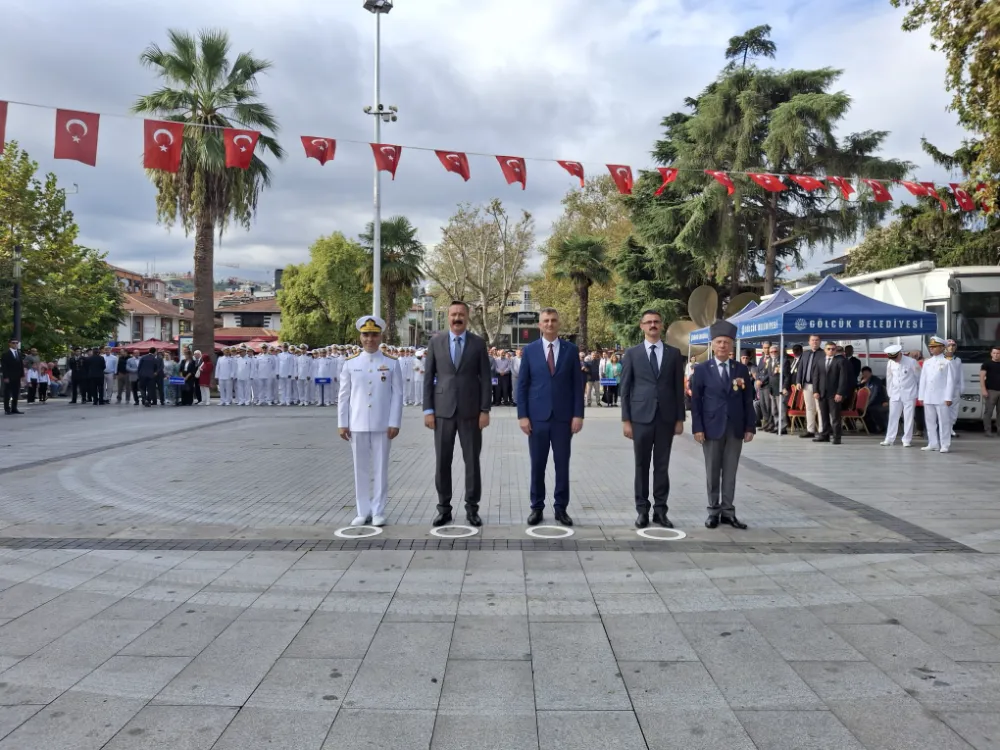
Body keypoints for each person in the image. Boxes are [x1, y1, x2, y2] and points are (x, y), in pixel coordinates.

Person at [422, 300, 492, 528]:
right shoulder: (436, 342)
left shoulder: (478, 343)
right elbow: (428, 379)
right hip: (442, 412)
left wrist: (485, 410)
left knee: (472, 462)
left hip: (471, 413)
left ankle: (472, 508)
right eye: (453, 314)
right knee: (443, 461)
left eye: (461, 314)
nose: (457, 318)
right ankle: (444, 509)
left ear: (467, 316)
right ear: (448, 317)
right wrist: (428, 410)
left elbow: (485, 381)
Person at [516, 307, 585, 527]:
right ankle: (536, 507)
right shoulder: (530, 351)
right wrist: (522, 416)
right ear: (539, 325)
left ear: (559, 323)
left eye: (553, 320)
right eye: (545, 320)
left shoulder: (570, 350)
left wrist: (578, 415)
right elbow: (523, 385)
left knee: (562, 464)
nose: (549, 324)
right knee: (537, 464)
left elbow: (577, 385)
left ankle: (561, 508)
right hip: (537, 420)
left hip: (564, 419)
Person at [619, 309, 686, 529]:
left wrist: (679, 418)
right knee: (641, 465)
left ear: (662, 325)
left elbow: (678, 388)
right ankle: (642, 511)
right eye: (648, 322)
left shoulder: (674, 354)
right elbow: (626, 389)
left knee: (662, 466)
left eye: (656, 321)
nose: (653, 325)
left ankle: (660, 511)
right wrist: (626, 420)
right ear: (642, 326)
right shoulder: (632, 353)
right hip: (640, 419)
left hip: (666, 418)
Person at [339, 316, 404, 527]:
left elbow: (398, 395)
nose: (370, 339)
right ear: (360, 336)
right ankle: (362, 510)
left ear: (380, 336)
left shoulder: (391, 363)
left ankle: (378, 511)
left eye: (374, 335)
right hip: (356, 424)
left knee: (380, 468)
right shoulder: (350, 363)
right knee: (361, 469)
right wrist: (342, 422)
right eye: (366, 334)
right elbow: (344, 396)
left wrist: (395, 422)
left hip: (382, 424)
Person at [690, 320, 755, 529]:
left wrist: (749, 427)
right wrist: (697, 427)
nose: (722, 346)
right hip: (711, 427)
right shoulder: (701, 370)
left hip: (735, 428)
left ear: (731, 345)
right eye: (719, 342)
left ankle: (728, 512)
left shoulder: (741, 370)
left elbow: (747, 400)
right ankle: (713, 511)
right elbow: (696, 401)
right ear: (712, 344)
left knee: (730, 471)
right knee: (712, 471)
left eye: (726, 342)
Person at [919, 336, 956, 453]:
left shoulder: (947, 362)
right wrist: (921, 396)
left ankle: (945, 444)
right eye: (930, 347)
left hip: (941, 396)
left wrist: (948, 397)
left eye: (934, 347)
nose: (931, 349)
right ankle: (933, 443)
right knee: (930, 421)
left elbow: (950, 381)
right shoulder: (927, 362)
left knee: (944, 422)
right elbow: (923, 380)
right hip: (929, 396)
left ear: (941, 347)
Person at [812, 342, 853, 445]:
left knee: (835, 417)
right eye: (829, 349)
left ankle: (836, 437)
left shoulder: (840, 361)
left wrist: (840, 393)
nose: (831, 351)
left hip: (834, 393)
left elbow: (843, 378)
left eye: (833, 349)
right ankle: (825, 435)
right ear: (825, 350)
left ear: (836, 350)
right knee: (823, 415)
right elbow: (816, 377)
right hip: (821, 393)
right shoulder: (820, 361)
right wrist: (815, 391)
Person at [881, 344, 920, 447]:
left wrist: (916, 391)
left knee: (908, 417)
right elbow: (889, 378)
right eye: (892, 358)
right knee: (893, 416)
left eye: (895, 357)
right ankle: (889, 438)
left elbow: (918, 378)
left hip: (909, 393)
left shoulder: (911, 362)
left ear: (900, 353)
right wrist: (890, 393)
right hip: (895, 393)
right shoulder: (890, 362)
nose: (894, 360)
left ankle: (906, 440)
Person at [794, 334, 824, 438]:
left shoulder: (823, 354)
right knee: (809, 408)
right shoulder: (805, 354)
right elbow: (800, 369)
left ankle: (821, 430)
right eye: (812, 340)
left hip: (819, 386)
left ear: (820, 342)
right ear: (809, 342)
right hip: (806, 385)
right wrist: (798, 381)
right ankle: (810, 430)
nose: (814, 342)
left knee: (820, 409)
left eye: (816, 340)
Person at [2, 339, 25, 415]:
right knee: (7, 393)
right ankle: (7, 409)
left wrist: (22, 375)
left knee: (15, 393)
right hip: (9, 376)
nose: (15, 344)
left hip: (17, 377)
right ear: (10, 344)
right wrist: (5, 377)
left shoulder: (18, 353)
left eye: (16, 343)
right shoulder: (6, 354)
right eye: (13, 343)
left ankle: (14, 408)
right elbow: (4, 367)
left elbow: (21, 365)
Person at [981, 346, 1000, 437]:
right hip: (991, 391)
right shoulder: (986, 364)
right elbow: (981, 377)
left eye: (998, 353)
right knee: (988, 412)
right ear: (991, 354)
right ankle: (988, 431)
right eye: (994, 353)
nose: (996, 355)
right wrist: (984, 389)